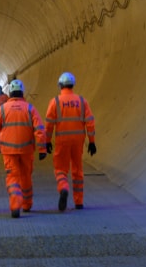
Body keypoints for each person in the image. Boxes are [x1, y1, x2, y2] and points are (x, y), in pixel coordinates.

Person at [0, 79, 46, 218]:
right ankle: (27, 205)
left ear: (10, 93)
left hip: (9, 151)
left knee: (13, 177)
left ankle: (15, 205)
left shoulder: (3, 109)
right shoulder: (30, 108)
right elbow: (39, 130)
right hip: (26, 150)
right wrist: (42, 149)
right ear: (22, 92)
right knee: (26, 177)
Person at [44, 71, 97, 211]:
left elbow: (49, 123)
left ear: (60, 85)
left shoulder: (55, 102)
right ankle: (79, 202)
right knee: (78, 169)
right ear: (72, 85)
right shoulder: (81, 101)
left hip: (62, 139)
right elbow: (90, 122)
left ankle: (63, 187)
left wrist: (47, 140)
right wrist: (92, 141)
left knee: (60, 168)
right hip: (78, 140)